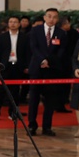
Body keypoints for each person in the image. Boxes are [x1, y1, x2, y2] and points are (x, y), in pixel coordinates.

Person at [27, 8, 67, 136]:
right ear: (44, 17)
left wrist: (49, 61)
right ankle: (32, 125)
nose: (51, 19)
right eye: (49, 16)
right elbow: (33, 47)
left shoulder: (61, 33)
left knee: (50, 100)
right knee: (34, 99)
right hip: (37, 69)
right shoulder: (35, 30)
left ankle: (47, 127)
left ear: (57, 19)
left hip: (52, 70)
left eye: (54, 17)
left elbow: (61, 51)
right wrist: (42, 60)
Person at [0, 15, 30, 120]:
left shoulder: (24, 37)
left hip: (17, 66)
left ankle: (13, 113)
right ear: (8, 24)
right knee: (0, 90)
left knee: (15, 92)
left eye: (15, 22)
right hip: (4, 66)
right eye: (11, 22)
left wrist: (26, 66)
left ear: (19, 24)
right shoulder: (2, 37)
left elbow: (27, 53)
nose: (13, 24)